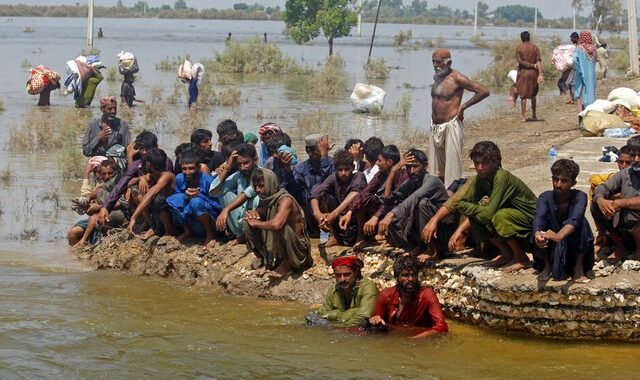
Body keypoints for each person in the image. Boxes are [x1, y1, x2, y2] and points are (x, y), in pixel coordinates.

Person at [423, 141, 537, 272]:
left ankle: (520, 257)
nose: (480, 167)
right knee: (477, 217)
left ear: (495, 162)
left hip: (529, 218)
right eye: (476, 163)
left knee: (498, 216)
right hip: (511, 217)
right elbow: (458, 201)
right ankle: (506, 253)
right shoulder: (479, 179)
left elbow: (486, 212)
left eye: (484, 163)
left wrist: (469, 207)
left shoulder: (501, 176)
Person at [430, 48, 490, 188]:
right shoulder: (437, 77)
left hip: (451, 124)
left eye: (438, 62)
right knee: (436, 168)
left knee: (452, 167)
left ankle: (453, 195)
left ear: (448, 62)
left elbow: (483, 91)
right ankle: (439, 195)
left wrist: (463, 107)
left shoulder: (457, 78)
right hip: (435, 126)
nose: (434, 65)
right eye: (433, 61)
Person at [379, 149, 452, 261]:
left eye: (415, 166)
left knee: (421, 203)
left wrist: (390, 215)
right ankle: (418, 246)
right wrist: (393, 172)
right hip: (423, 228)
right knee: (396, 208)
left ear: (425, 165)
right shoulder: (411, 182)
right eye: (408, 167)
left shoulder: (432, 181)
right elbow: (388, 199)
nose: (412, 171)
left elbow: (414, 198)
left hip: (442, 228)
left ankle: (432, 250)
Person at [243, 168, 312, 278]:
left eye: (261, 186)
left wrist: (256, 223)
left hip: (297, 251)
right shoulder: (268, 199)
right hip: (280, 250)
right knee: (247, 223)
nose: (258, 190)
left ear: (271, 183)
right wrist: (253, 214)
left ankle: (286, 264)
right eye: (256, 186)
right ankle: (266, 260)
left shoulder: (285, 200)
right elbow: (259, 212)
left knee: (279, 226)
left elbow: (277, 224)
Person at [533, 159, 594, 282]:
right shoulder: (545, 197)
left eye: (564, 181)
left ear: (573, 183)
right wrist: (538, 235)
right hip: (551, 246)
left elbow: (575, 220)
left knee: (582, 223)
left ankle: (578, 267)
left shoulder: (580, 196)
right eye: (556, 179)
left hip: (572, 244)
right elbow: (539, 219)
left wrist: (559, 236)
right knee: (539, 228)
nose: (558, 184)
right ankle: (547, 266)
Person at [96, 131, 173, 228]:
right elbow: (122, 184)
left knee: (157, 199)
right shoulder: (138, 164)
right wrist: (105, 207)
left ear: (156, 147)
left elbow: (161, 182)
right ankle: (150, 224)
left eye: (147, 148)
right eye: (141, 148)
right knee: (134, 190)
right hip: (147, 200)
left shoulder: (165, 161)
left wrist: (145, 177)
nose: (144, 152)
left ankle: (159, 228)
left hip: (163, 200)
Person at [368, 256, 448, 339]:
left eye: (414, 275)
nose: (411, 279)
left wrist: (420, 337)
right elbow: (376, 320)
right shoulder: (385, 295)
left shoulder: (427, 295)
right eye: (405, 275)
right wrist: (375, 319)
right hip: (394, 338)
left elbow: (442, 326)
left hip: (420, 340)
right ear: (396, 277)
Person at [344, 145, 409, 246]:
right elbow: (366, 191)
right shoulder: (380, 174)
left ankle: (390, 237)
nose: (377, 163)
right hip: (385, 207)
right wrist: (350, 211)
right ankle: (361, 235)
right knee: (365, 200)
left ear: (389, 162)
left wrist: (375, 217)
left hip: (397, 210)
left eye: (379, 160)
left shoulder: (403, 177)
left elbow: (394, 202)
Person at [592, 136, 640, 262]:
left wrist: (621, 203)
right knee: (596, 206)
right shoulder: (627, 173)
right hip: (628, 225)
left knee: (631, 211)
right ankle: (620, 246)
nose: (636, 159)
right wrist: (601, 200)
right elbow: (602, 188)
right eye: (634, 155)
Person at [310, 150, 367, 247]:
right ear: (336, 169)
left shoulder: (359, 176)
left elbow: (355, 193)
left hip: (355, 218)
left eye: (347, 169)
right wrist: (317, 214)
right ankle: (334, 236)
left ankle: (360, 236)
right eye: (340, 170)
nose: (343, 173)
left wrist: (334, 214)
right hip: (339, 218)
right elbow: (316, 194)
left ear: (353, 167)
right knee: (324, 196)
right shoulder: (333, 178)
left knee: (359, 200)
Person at [166, 150, 221, 248]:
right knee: (173, 199)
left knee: (196, 202)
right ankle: (187, 231)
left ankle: (210, 234)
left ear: (199, 168)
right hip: (190, 219)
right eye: (184, 169)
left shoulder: (208, 181)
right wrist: (186, 196)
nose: (187, 172)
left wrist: (200, 195)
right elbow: (178, 200)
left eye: (191, 168)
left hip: (209, 218)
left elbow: (218, 205)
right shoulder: (179, 178)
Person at [306, 256, 378, 327]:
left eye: (347, 275)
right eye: (338, 275)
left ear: (356, 273)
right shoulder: (334, 288)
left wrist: (337, 326)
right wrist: (340, 315)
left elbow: (363, 316)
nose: (342, 279)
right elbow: (322, 313)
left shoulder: (368, 287)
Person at [68, 158, 125, 248]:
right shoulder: (102, 183)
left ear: (116, 172)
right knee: (72, 233)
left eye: (110, 173)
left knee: (96, 214)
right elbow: (93, 194)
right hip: (96, 218)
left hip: (111, 215)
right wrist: (87, 200)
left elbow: (121, 203)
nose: (107, 176)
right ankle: (76, 253)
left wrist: (98, 207)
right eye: (104, 173)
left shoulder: (119, 181)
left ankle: (84, 242)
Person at [209, 143, 260, 243]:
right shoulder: (239, 175)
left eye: (246, 163)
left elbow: (247, 193)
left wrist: (226, 210)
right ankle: (240, 234)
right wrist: (228, 166)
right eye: (239, 164)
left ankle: (251, 234)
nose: (242, 167)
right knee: (223, 192)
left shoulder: (261, 174)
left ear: (255, 160)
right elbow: (214, 191)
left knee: (257, 200)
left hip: (259, 217)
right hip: (245, 216)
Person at [125, 148, 176, 240]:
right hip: (160, 214)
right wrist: (141, 178)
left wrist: (134, 217)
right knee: (135, 190)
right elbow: (130, 182)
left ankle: (169, 231)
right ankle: (153, 227)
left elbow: (152, 193)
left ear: (149, 164)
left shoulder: (167, 175)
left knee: (158, 199)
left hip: (173, 215)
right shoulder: (155, 174)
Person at [292, 134, 335, 237]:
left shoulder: (333, 163)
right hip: (310, 211)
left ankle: (334, 234)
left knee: (325, 194)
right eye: (319, 151)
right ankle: (312, 233)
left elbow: (327, 184)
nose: (322, 154)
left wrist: (324, 157)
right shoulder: (300, 169)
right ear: (309, 152)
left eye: (323, 150)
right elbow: (295, 191)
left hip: (330, 207)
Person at [515, 31, 543, 123]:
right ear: (529, 38)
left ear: (521, 38)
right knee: (533, 95)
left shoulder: (519, 48)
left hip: (523, 73)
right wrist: (540, 74)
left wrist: (530, 65)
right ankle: (534, 115)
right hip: (534, 73)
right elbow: (538, 62)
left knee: (523, 96)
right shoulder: (535, 48)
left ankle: (523, 117)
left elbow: (520, 62)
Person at [573, 31, 597, 110]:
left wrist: (579, 70)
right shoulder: (594, 48)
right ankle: (590, 109)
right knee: (590, 91)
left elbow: (574, 60)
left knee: (580, 92)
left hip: (580, 74)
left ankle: (581, 112)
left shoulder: (579, 48)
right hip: (591, 75)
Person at [558, 32, 579, 103]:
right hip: (573, 67)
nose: (571, 40)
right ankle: (571, 98)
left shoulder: (579, 46)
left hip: (577, 68)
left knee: (574, 83)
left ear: (575, 38)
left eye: (572, 38)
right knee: (570, 83)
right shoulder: (575, 46)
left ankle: (576, 98)